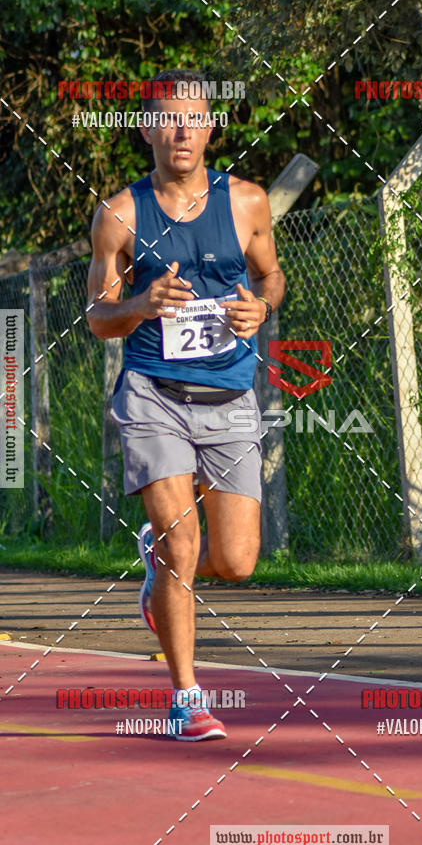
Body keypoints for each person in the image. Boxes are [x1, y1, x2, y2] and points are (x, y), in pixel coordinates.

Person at [86, 69, 285, 740]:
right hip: (154, 394)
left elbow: (271, 275)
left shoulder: (248, 202)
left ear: (210, 127)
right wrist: (140, 305)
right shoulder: (120, 213)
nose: (182, 130)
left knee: (235, 561)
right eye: (168, 118)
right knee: (183, 541)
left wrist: (261, 307)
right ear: (145, 128)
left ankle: (155, 567)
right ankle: (186, 697)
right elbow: (96, 314)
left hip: (229, 394)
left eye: (194, 118)